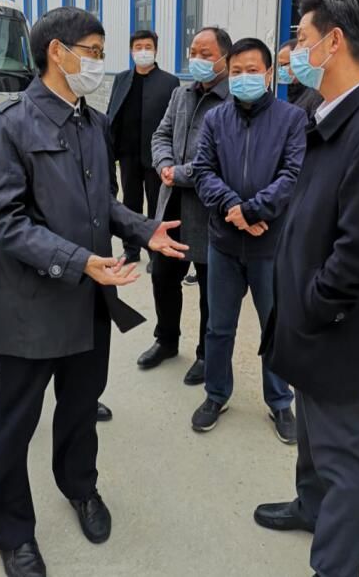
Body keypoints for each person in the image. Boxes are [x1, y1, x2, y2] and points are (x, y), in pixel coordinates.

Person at [0, 7, 187, 577]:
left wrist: (143, 229)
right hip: (31, 306)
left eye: (100, 52)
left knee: (79, 408)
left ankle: (80, 487)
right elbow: (5, 221)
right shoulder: (7, 124)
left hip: (89, 298)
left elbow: (103, 203)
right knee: (15, 422)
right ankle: (11, 530)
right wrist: (80, 261)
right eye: (92, 51)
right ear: (57, 52)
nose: (99, 62)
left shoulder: (91, 123)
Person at [254, 0, 359, 577]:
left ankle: (335, 567)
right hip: (306, 319)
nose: (293, 51)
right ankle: (309, 505)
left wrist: (313, 306)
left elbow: (358, 252)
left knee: (342, 455)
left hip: (333, 330)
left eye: (301, 38)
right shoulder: (325, 111)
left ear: (334, 41)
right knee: (312, 435)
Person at [191, 38, 306, 443]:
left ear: (269, 73)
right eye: (236, 71)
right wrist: (234, 208)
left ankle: (280, 401)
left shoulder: (292, 119)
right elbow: (203, 171)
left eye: (252, 71)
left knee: (274, 327)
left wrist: (255, 211)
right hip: (224, 243)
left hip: (270, 246)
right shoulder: (215, 119)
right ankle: (216, 394)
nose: (244, 78)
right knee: (218, 327)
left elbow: (292, 175)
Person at [142, 27, 233, 386]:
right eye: (193, 51)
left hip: (210, 212)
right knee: (163, 277)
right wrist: (164, 163)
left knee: (211, 290)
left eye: (205, 54)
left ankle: (206, 354)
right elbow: (161, 134)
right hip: (172, 207)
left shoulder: (232, 102)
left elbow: (224, 158)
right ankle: (166, 340)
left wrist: (177, 173)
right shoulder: (181, 94)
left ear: (225, 58)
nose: (197, 59)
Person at [107, 30, 180, 266]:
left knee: (156, 204)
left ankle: (155, 252)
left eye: (148, 47)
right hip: (128, 153)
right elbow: (112, 111)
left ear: (156, 50)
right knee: (130, 202)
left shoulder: (169, 82)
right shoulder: (122, 79)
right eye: (138, 47)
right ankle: (131, 250)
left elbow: (174, 122)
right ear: (131, 51)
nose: (143, 51)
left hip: (156, 156)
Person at [277, 38, 322, 118]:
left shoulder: (316, 95)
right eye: (279, 65)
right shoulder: (290, 91)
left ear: (298, 62)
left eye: (283, 64)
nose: (280, 69)